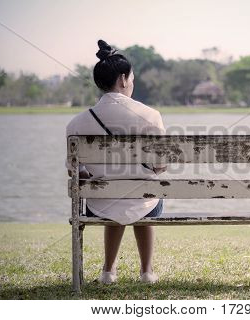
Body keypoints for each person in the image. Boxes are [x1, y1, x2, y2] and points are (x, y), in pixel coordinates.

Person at [65, 39, 166, 284]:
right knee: (145, 194)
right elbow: (160, 166)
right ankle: (147, 272)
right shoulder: (150, 115)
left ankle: (108, 271)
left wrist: (97, 177)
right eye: (131, 78)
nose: (132, 83)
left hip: (100, 204)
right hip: (145, 201)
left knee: (114, 196)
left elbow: (75, 172)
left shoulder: (76, 123)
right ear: (122, 79)